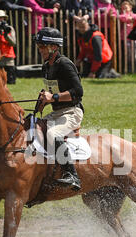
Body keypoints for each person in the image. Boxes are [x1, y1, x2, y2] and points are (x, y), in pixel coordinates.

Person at [35, 27, 84, 191]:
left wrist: (53, 98)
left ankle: (72, 176)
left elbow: (78, 92)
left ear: (54, 47)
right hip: (57, 112)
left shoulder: (64, 64)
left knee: (52, 134)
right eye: (39, 46)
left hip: (72, 112)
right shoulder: (46, 66)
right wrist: (44, 99)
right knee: (32, 125)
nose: (40, 50)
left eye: (43, 46)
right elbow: (52, 91)